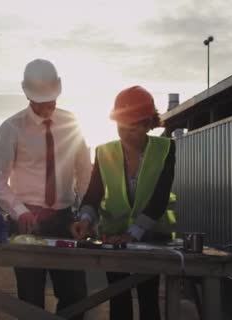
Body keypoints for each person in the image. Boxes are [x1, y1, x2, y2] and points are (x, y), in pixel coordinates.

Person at [0, 59, 91, 319]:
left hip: (65, 219)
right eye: (43, 101)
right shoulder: (12, 128)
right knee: (30, 300)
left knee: (75, 295)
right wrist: (18, 211)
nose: (49, 105)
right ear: (27, 95)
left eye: (52, 99)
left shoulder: (71, 123)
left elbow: (85, 172)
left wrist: (86, 214)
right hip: (26, 221)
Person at [71, 85, 176, 320]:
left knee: (148, 298)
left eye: (133, 127)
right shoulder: (104, 151)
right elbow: (93, 195)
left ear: (149, 123)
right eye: (121, 126)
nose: (126, 133)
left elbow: (160, 197)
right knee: (118, 298)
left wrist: (134, 233)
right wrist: (85, 220)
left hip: (151, 235)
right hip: (113, 236)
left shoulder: (165, 149)